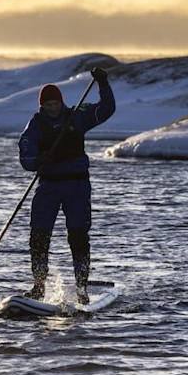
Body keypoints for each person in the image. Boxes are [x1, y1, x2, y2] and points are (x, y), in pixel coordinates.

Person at [18, 66, 116, 304]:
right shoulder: (35, 125)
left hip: (77, 187)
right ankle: (38, 286)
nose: (52, 108)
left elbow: (106, 109)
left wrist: (103, 83)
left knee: (78, 236)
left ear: (61, 103)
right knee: (39, 236)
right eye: (48, 105)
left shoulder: (77, 116)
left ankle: (81, 287)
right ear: (42, 106)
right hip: (48, 186)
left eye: (55, 104)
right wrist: (38, 160)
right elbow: (26, 158)